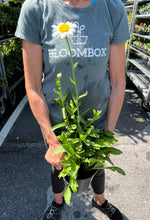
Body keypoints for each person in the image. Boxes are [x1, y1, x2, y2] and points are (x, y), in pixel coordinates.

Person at [15, 0, 130, 219]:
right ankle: (57, 203)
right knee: (58, 166)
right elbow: (33, 86)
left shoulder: (112, 8)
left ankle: (101, 201)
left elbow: (117, 81)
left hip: (97, 122)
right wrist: (52, 139)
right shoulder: (36, 8)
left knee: (97, 165)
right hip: (57, 122)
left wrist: (108, 133)